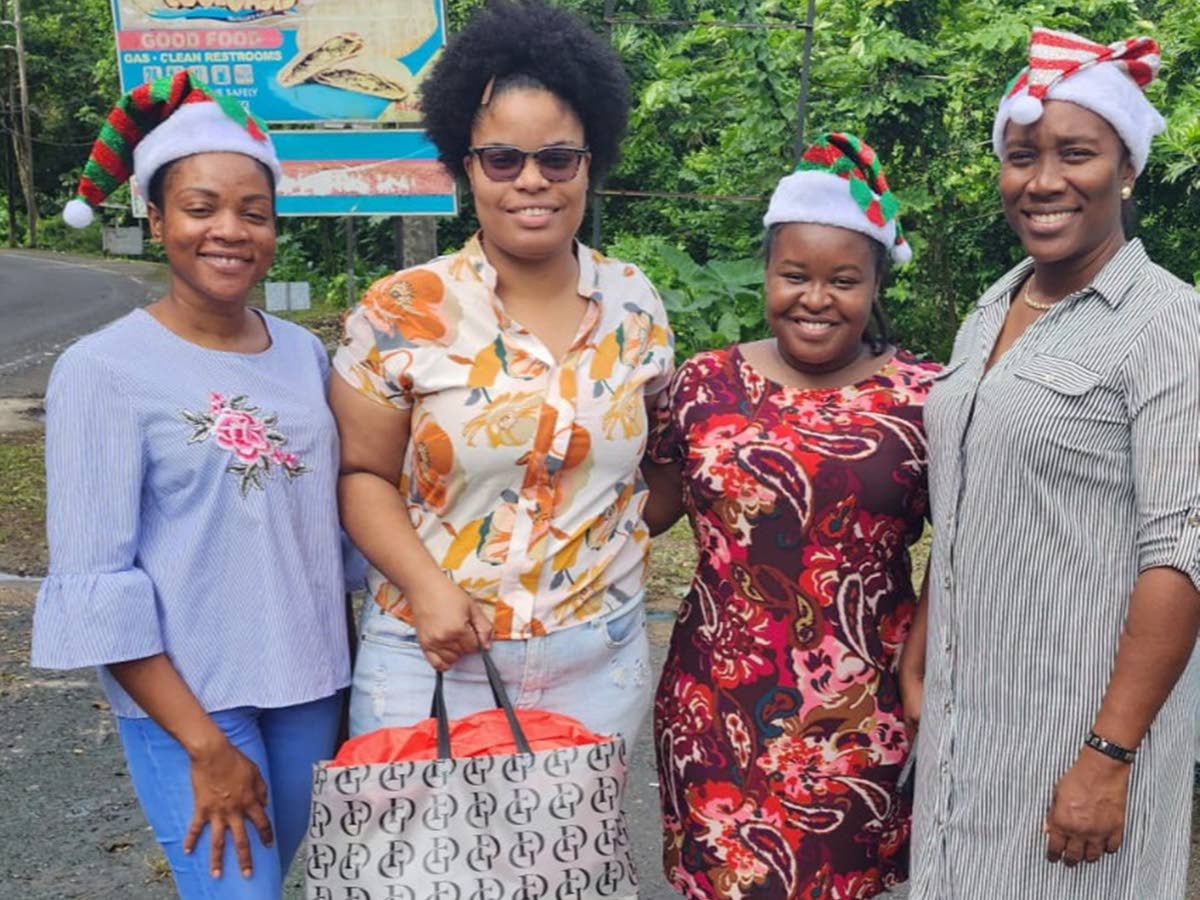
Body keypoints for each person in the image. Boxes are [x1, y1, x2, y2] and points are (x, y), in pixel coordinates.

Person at [899, 28, 1200, 898]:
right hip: (967, 729)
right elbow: (966, 496)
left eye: (1078, 153)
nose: (1044, 180)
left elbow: (1182, 550)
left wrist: (1108, 755)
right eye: (1022, 155)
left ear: (1127, 167)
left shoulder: (1169, 324)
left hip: (1076, 739)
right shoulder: (991, 308)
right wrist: (925, 637)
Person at [32, 73, 349, 898]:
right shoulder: (101, 370)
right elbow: (97, 580)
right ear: (155, 215)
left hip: (310, 682)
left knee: (276, 879)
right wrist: (205, 747)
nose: (229, 231)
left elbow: (324, 526)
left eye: (253, 211)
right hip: (193, 702)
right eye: (201, 207)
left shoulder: (302, 353)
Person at [330, 0, 673, 746]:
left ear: (590, 161)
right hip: (432, 654)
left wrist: (596, 559)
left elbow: (655, 468)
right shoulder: (403, 308)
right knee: (413, 865)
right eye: (502, 159)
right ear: (466, 163)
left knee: (568, 866)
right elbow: (360, 474)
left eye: (557, 158)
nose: (531, 182)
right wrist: (427, 590)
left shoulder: (635, 304)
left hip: (596, 660)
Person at [644, 132, 936, 898]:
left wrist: (925, 660)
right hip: (712, 702)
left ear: (876, 285)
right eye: (794, 275)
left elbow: (973, 544)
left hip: (855, 720)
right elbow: (649, 508)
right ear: (767, 275)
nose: (815, 298)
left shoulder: (927, 398)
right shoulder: (703, 385)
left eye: (843, 279)